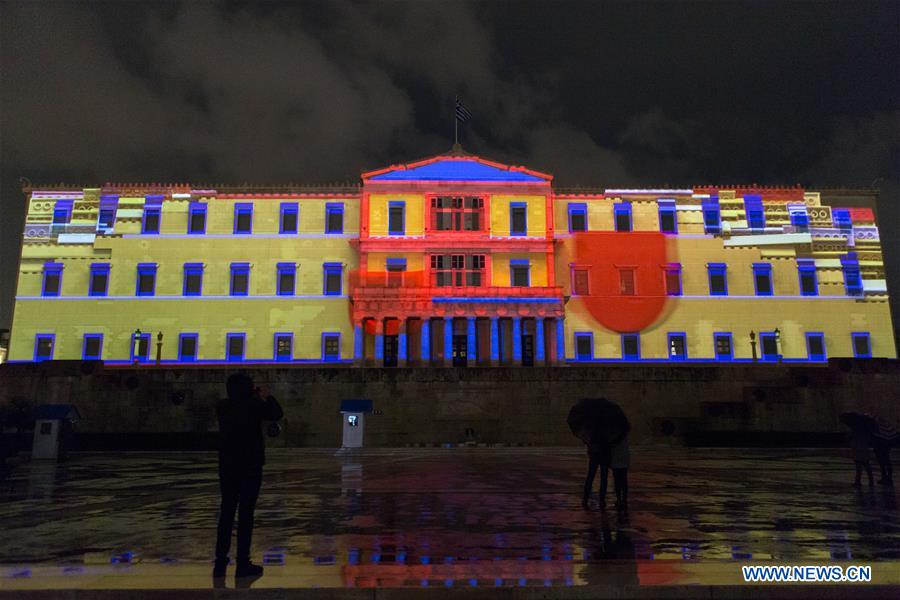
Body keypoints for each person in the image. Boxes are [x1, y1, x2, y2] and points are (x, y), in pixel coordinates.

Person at [213, 374, 283, 579]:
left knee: (226, 511)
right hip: (250, 465)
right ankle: (243, 561)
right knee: (246, 513)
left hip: (227, 464)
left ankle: (220, 557)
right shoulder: (254, 405)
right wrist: (266, 396)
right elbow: (276, 413)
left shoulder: (222, 406)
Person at [581, 422, 611, 509]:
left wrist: (589, 445)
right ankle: (601, 499)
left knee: (591, 476)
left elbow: (585, 437)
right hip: (604, 453)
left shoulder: (591, 423)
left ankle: (586, 498)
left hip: (595, 452)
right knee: (603, 477)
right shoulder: (607, 423)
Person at [872, 416, 896, 486]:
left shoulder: (877, 430)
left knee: (882, 464)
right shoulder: (888, 433)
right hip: (885, 449)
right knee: (887, 463)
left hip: (880, 449)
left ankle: (885, 477)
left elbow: (875, 440)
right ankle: (889, 478)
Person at [610, 431, 630, 508]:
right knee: (624, 479)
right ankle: (624, 499)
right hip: (623, 456)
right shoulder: (624, 432)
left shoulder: (612, 432)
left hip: (616, 456)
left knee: (617, 479)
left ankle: (619, 498)